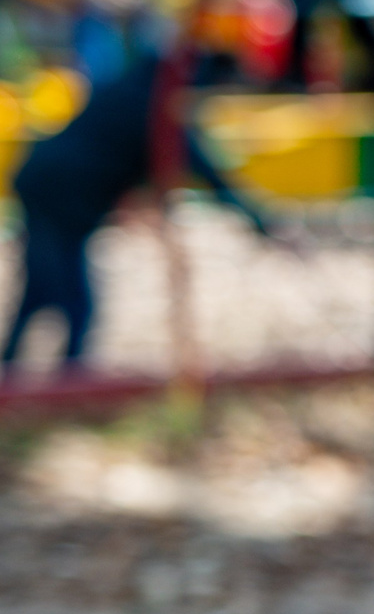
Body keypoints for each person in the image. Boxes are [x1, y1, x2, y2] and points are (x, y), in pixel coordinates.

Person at [4, 32, 267, 379]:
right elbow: (198, 162)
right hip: (59, 193)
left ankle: (17, 371)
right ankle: (69, 382)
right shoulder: (151, 105)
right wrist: (251, 212)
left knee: (41, 287)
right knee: (75, 300)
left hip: (43, 180)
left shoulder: (133, 89)